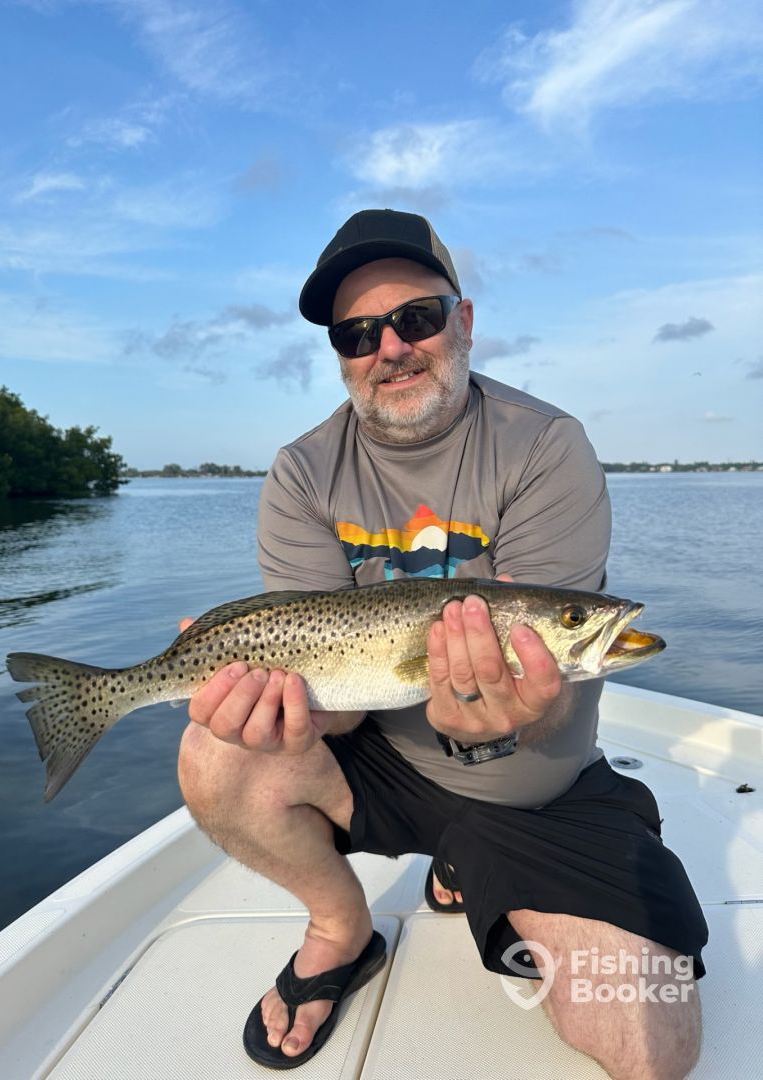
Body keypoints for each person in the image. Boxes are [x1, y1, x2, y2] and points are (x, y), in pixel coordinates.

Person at [178, 210, 707, 1077]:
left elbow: (548, 698)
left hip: (536, 787)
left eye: (415, 318)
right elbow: (337, 714)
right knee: (214, 753)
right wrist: (282, 711)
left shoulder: (545, 445)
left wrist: (524, 706)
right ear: (341, 354)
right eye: (357, 333)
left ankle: (472, 859)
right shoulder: (302, 472)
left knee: (653, 1048)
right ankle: (340, 927)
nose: (389, 347)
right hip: (383, 758)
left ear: (462, 321)